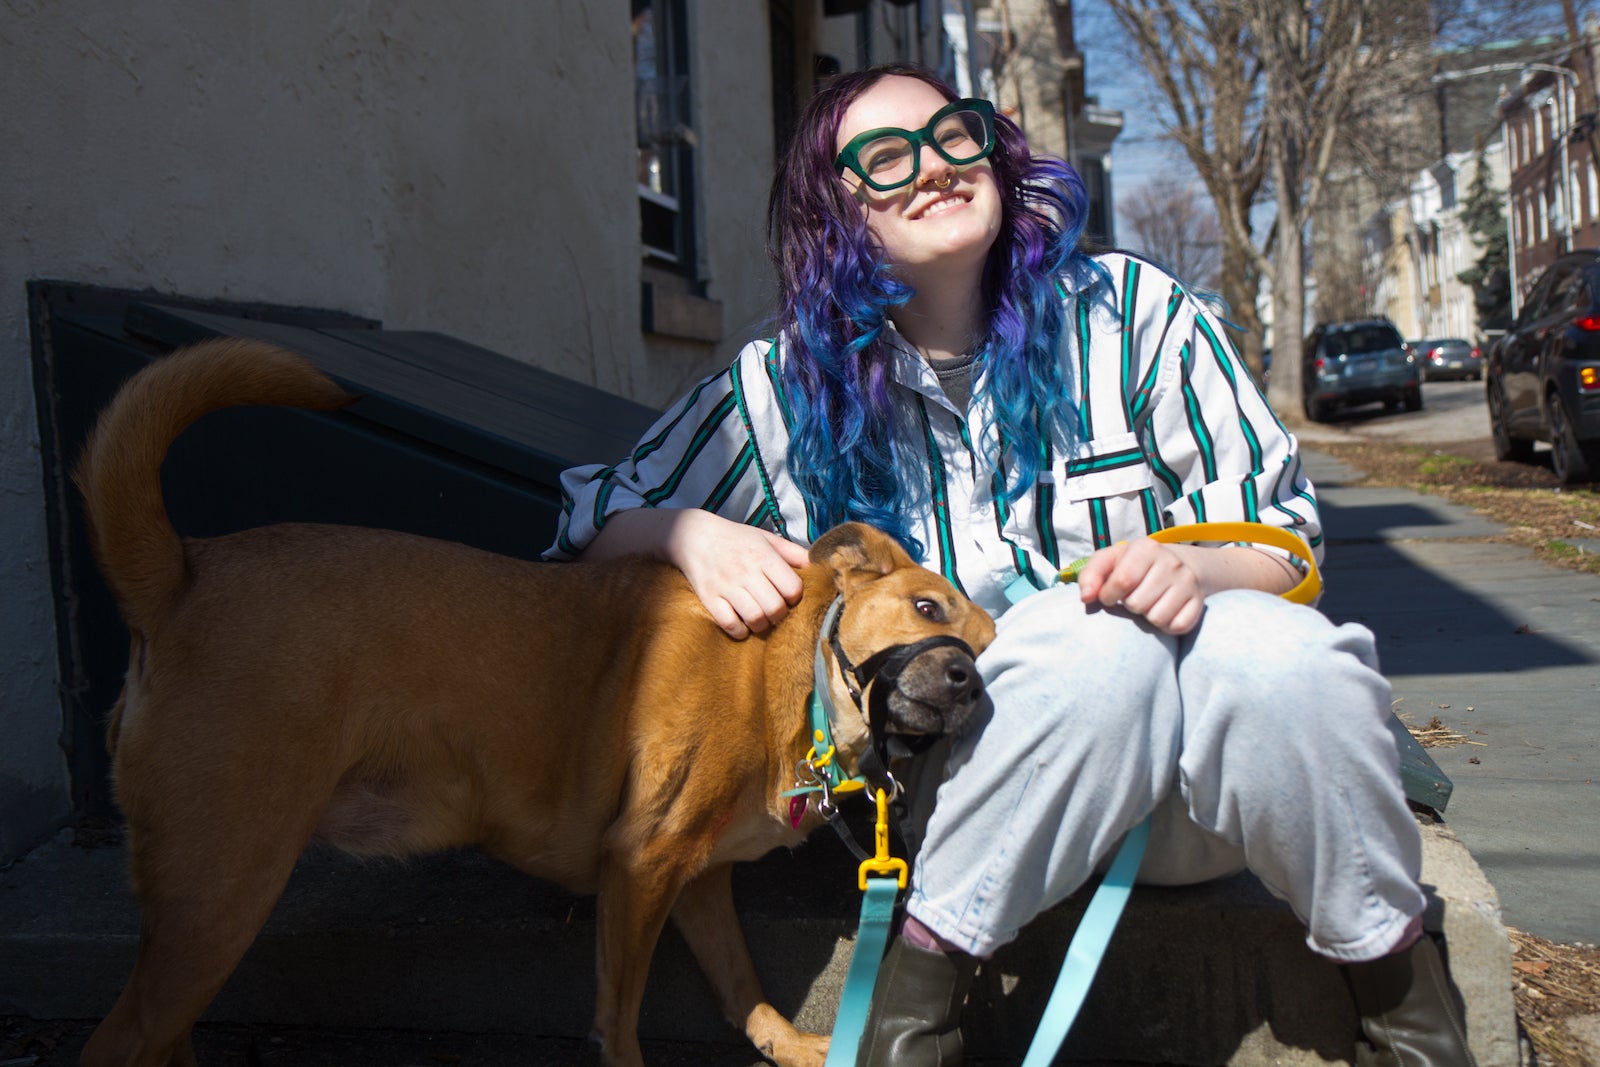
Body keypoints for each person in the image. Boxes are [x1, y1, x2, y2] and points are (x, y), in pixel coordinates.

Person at [546, 63, 1477, 1067]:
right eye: (887, 156)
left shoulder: (1134, 316)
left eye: (955, 135)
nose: (937, 166)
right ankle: (915, 1026)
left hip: (1194, 804)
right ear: (834, 213)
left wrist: (1198, 574)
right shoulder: (781, 390)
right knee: (1097, 648)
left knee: (1282, 656)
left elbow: (1278, 524)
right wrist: (691, 532)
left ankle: (1409, 1019)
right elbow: (587, 518)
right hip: (961, 808)